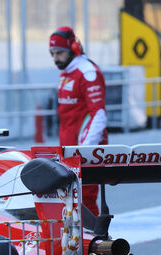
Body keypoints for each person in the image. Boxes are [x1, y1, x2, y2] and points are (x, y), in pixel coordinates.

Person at [49, 26, 107, 216]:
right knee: (69, 201)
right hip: (68, 150)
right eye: (52, 53)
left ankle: (95, 242)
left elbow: (99, 115)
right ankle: (76, 243)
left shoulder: (88, 73)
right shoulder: (65, 73)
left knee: (86, 200)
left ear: (74, 48)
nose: (55, 58)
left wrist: (85, 150)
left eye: (59, 53)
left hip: (84, 151)